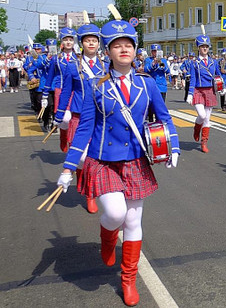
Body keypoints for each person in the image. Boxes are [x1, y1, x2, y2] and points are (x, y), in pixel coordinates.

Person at [56, 18, 180, 306]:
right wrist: (68, 168)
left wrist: (173, 145)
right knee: (114, 214)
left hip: (136, 161)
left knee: (134, 219)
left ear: (136, 50)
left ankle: (128, 280)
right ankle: (108, 237)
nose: (124, 49)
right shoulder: (95, 85)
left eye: (129, 45)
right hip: (103, 160)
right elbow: (85, 127)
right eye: (117, 45)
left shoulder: (146, 84)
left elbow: (164, 117)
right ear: (108, 51)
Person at [55, 23, 108, 214]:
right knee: (83, 157)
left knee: (95, 157)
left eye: (94, 40)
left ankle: (90, 193)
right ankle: (85, 186)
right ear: (82, 43)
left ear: (99, 43)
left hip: (102, 117)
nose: (91, 43)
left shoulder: (107, 65)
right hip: (79, 117)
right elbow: (66, 92)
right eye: (87, 40)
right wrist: (60, 115)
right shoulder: (71, 66)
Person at [187, 35, 223, 153]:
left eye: (206, 46)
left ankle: (204, 141)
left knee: (207, 118)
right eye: (202, 46)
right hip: (198, 90)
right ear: (198, 47)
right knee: (201, 115)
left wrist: (222, 87)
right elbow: (192, 78)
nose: (205, 48)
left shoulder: (213, 62)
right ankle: (197, 128)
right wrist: (190, 93)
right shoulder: (194, 63)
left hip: (210, 91)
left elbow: (218, 75)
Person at [43, 28, 78, 152]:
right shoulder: (56, 59)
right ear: (61, 42)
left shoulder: (78, 58)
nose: (68, 42)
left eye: (71, 40)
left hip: (76, 91)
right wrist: (45, 95)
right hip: (61, 90)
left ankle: (73, 143)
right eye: (66, 39)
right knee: (64, 119)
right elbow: (50, 76)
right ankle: (63, 137)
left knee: (74, 119)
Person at [144, 44, 170, 121]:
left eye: (157, 51)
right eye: (154, 51)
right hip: (151, 86)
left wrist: (161, 62)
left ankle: (159, 123)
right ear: (151, 52)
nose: (155, 53)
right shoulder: (148, 60)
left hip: (161, 86)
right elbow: (146, 70)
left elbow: (167, 71)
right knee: (151, 108)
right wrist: (153, 63)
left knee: (160, 107)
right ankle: (151, 122)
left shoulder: (164, 60)